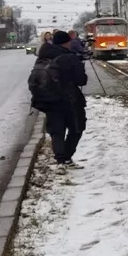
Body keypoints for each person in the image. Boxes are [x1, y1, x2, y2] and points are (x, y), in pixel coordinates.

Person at [33, 31, 88, 168]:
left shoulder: (42, 57)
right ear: (67, 42)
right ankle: (67, 158)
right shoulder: (69, 57)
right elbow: (82, 80)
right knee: (77, 127)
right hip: (69, 100)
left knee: (57, 130)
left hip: (48, 99)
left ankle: (60, 161)